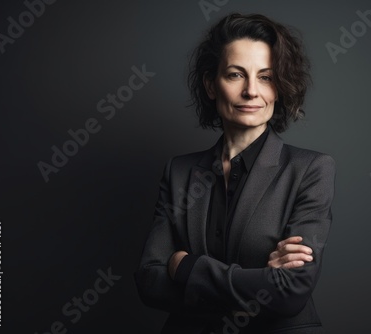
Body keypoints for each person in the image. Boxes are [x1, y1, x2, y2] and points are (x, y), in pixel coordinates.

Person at [134, 13, 336, 333]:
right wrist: (259, 283)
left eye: (266, 77)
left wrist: (186, 267)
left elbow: (289, 293)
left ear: (280, 88)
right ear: (211, 85)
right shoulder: (179, 172)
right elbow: (149, 281)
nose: (251, 91)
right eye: (235, 74)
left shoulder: (311, 170)